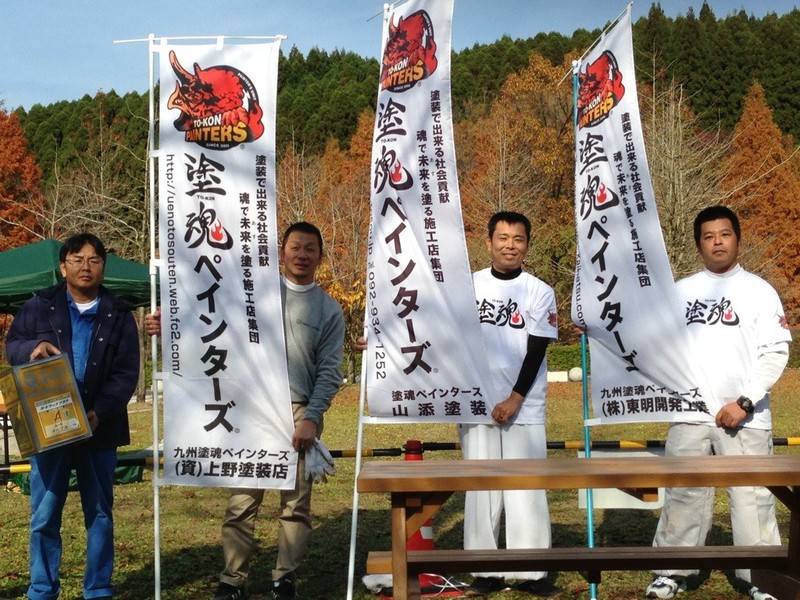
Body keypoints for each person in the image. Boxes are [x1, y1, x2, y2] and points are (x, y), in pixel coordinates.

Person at [145, 222, 344, 600]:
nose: (302, 255)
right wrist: (166, 325)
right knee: (241, 502)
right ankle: (232, 580)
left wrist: (312, 418)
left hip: (296, 412)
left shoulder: (328, 309)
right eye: (295, 247)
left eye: (310, 249)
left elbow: (330, 372)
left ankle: (284, 579)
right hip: (249, 409)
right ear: (282, 252)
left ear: (320, 256)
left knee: (296, 505)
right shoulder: (253, 294)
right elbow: (208, 318)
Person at [645, 205, 791, 600]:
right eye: (708, 237)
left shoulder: (759, 291)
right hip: (690, 414)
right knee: (684, 491)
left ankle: (761, 577)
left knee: (753, 496)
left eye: (724, 234)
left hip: (745, 417)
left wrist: (744, 402)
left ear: (737, 239)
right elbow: (648, 343)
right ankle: (672, 571)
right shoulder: (680, 292)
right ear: (699, 245)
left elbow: (776, 353)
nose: (717, 242)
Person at [6, 233, 140, 600]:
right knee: (44, 513)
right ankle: (41, 588)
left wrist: (100, 412)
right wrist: (32, 347)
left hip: (100, 426)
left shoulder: (119, 312)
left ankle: (97, 588)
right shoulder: (38, 306)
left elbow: (126, 373)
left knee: (99, 513)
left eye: (94, 260)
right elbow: (11, 347)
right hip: (50, 427)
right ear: (63, 265)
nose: (86, 266)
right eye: (77, 259)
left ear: (103, 267)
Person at [458, 211, 561, 597]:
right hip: (477, 404)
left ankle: (532, 571)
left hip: (525, 402)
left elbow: (536, 349)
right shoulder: (466, 287)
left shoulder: (539, 290)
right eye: (502, 238)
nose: (510, 246)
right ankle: (484, 569)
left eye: (518, 239)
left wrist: (515, 398)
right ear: (488, 243)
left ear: (527, 245)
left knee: (526, 487)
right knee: (481, 487)